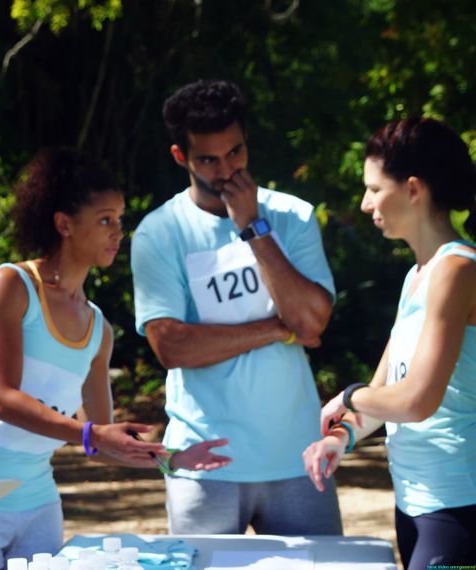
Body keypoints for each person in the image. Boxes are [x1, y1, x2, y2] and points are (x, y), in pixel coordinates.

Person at [0, 148, 231, 568]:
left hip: (39, 501)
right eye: (104, 219)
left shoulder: (99, 328)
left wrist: (169, 457)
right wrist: (92, 435)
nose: (118, 232)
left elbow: (104, 439)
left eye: (119, 219)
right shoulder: (10, 285)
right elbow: (1, 400)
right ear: (64, 224)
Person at [130, 79, 342, 535]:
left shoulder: (293, 216)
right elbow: (172, 347)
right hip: (205, 462)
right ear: (180, 157)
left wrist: (254, 228)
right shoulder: (158, 233)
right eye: (209, 158)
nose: (227, 169)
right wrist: (277, 327)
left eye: (236, 153)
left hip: (297, 456)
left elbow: (311, 321)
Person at [305, 117, 476, 569]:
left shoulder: (458, 271)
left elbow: (416, 400)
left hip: (458, 508)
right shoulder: (416, 276)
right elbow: (383, 394)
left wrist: (344, 396)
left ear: (414, 189)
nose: (365, 204)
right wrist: (340, 437)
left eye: (375, 189)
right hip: (414, 504)